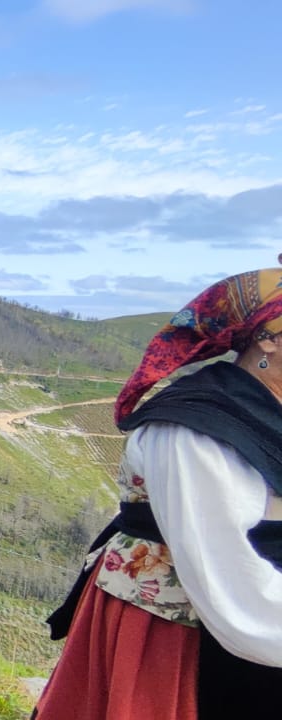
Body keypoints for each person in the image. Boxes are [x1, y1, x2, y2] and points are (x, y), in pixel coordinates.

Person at [35, 269, 282, 720]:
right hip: (186, 632)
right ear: (269, 337)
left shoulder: (269, 411)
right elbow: (223, 567)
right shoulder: (196, 427)